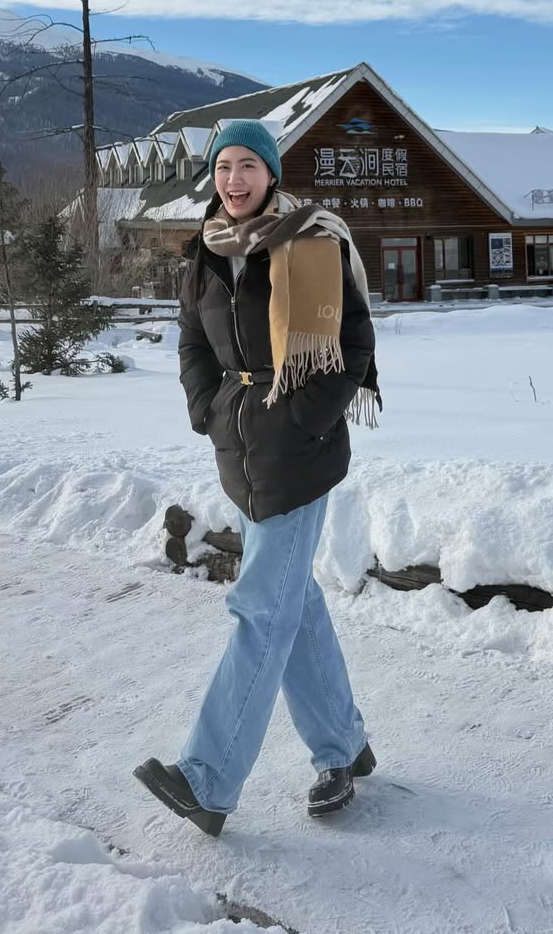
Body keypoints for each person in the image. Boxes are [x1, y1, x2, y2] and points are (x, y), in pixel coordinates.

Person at [133, 118, 382, 836]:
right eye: (223, 167)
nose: (233, 179)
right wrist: (207, 407)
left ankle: (208, 781)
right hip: (238, 449)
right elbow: (191, 337)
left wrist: (298, 420)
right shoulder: (207, 252)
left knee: (260, 611)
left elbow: (354, 341)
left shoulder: (311, 240)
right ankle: (344, 747)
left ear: (271, 173)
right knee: (291, 605)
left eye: (248, 165)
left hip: (297, 453)